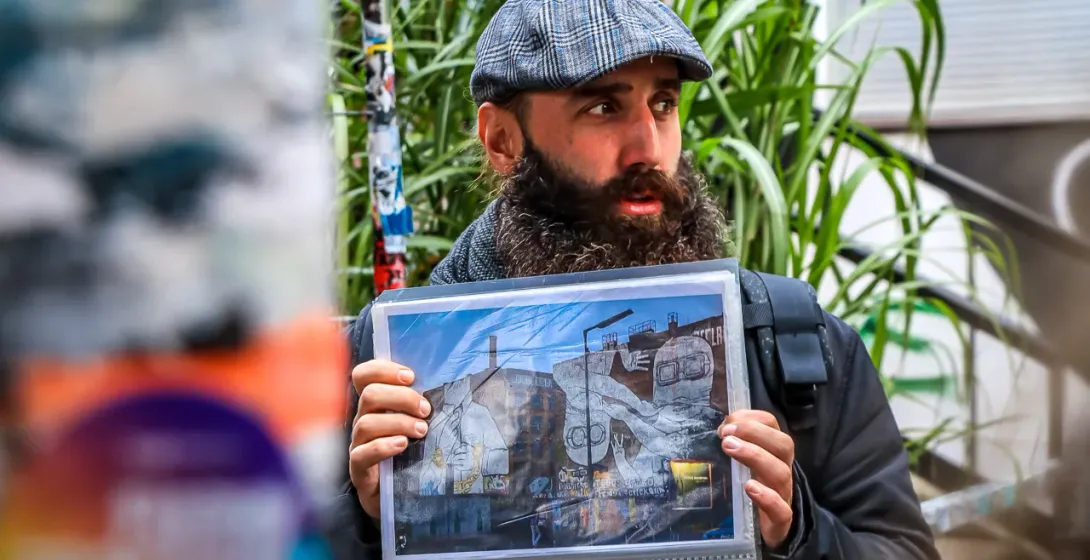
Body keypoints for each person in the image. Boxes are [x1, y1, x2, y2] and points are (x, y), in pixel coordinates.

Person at [324, 1, 940, 559]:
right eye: (603, 106)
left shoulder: (790, 342)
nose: (648, 146)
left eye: (664, 104)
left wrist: (797, 527)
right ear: (503, 140)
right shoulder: (396, 369)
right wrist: (370, 519)